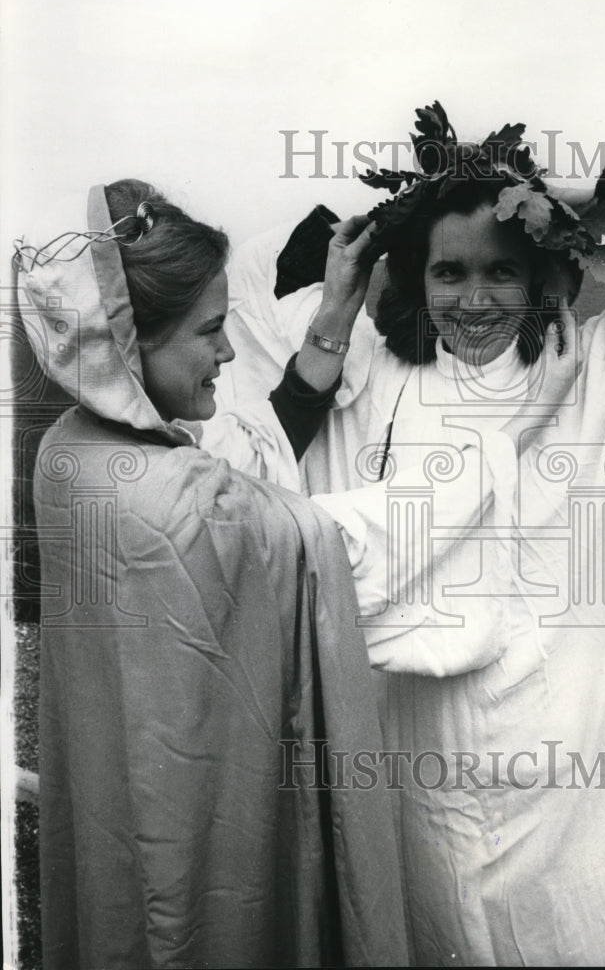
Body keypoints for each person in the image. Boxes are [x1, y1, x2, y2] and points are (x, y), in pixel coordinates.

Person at [203, 102, 605, 966]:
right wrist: (354, 284)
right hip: (418, 766)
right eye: (449, 273)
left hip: (577, 773)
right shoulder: (374, 374)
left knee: (577, 935)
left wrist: (547, 200)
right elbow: (257, 476)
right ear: (411, 280)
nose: (474, 300)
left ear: (545, 274)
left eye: (503, 272)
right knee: (436, 931)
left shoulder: (602, 367)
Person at [15, 181, 417, 970]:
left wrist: (335, 308)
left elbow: (251, 454)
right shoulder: (188, 500)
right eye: (209, 331)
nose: (228, 353)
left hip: (117, 803)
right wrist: (472, 484)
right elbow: (297, 530)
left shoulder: (74, 448)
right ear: (130, 343)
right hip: (204, 843)